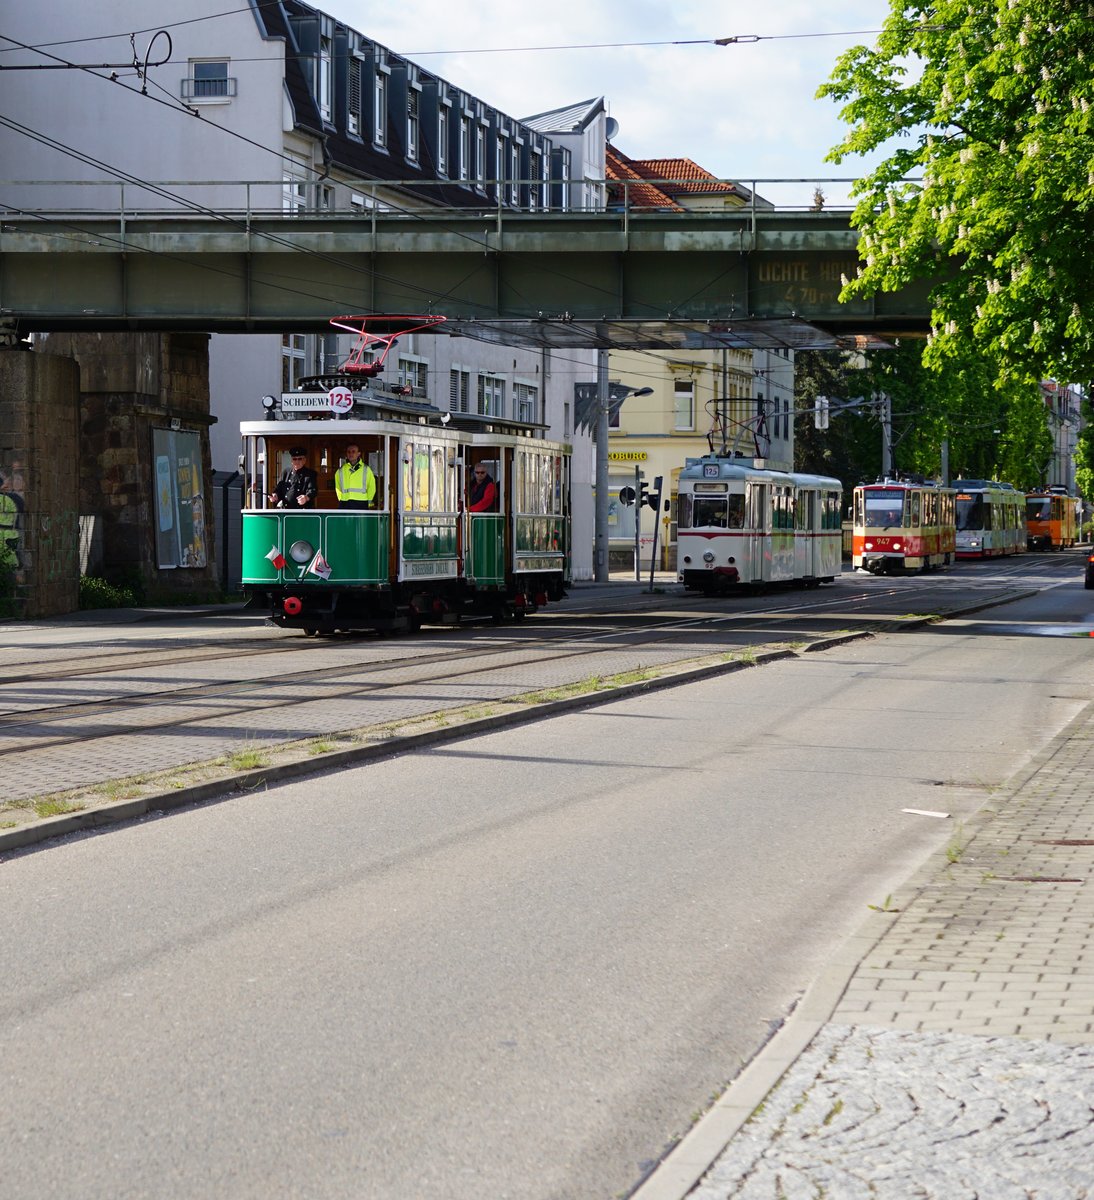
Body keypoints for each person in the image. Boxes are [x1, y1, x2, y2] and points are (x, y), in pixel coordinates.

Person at [334, 443, 376, 509]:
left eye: (353, 451)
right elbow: (338, 488)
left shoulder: (366, 469)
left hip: (362, 502)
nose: (351, 454)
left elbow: (371, 487)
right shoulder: (340, 470)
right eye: (349, 452)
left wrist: (369, 501)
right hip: (345, 502)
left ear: (359, 453)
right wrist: (341, 499)